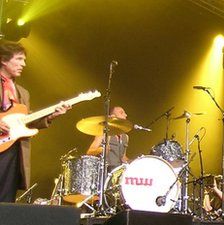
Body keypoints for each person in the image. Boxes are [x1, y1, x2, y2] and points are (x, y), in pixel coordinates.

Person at [0, 41, 70, 202]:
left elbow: (26, 121)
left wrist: (51, 116)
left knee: (5, 200)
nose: (23, 64)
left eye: (24, 60)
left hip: (13, 149)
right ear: (4, 60)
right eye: (18, 59)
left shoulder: (23, 93)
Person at [86, 106, 129, 171]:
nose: (125, 115)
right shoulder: (103, 133)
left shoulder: (125, 137)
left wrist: (135, 162)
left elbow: (123, 158)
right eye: (121, 113)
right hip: (106, 171)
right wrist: (101, 149)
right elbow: (89, 152)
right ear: (113, 116)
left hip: (118, 173)